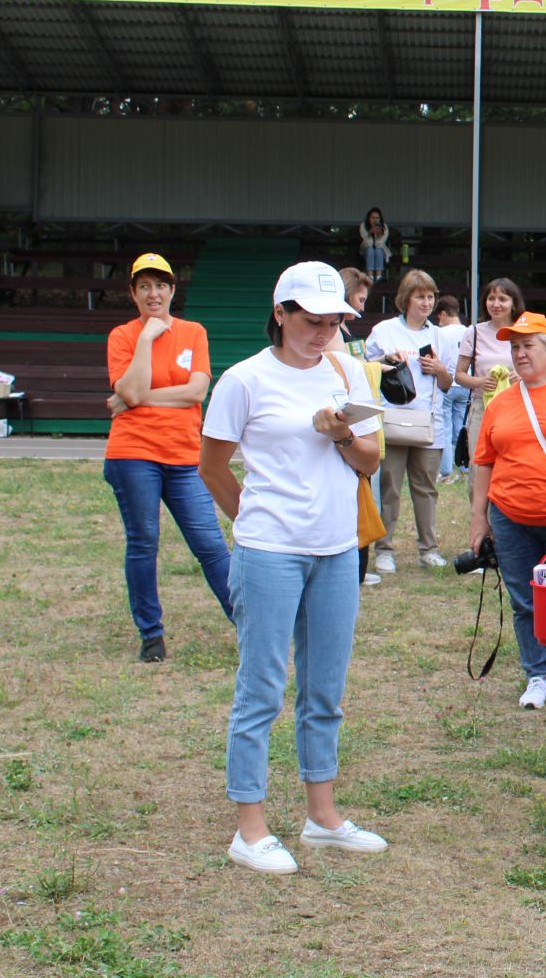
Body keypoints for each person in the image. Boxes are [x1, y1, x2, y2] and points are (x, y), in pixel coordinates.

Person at [199, 261, 388, 876]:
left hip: (337, 549)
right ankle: (249, 828)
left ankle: (322, 816)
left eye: (335, 321)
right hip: (269, 551)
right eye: (312, 321)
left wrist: (338, 434)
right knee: (261, 690)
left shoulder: (344, 370)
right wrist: (253, 522)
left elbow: (369, 460)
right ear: (279, 314)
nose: (324, 332)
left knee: (325, 689)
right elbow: (212, 466)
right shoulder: (243, 380)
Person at [102, 252, 233, 662]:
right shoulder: (123, 337)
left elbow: (196, 392)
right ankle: (151, 636)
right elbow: (134, 389)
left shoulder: (194, 332)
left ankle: (248, 621)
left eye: (161, 285)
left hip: (183, 457)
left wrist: (134, 399)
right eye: (144, 286)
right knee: (144, 542)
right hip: (132, 454)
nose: (153, 293)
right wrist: (146, 338)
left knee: (211, 545)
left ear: (173, 290)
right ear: (133, 294)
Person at [467, 313, 546, 712]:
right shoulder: (502, 402)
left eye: (528, 345)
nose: (519, 353)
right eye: (514, 346)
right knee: (524, 600)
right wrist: (479, 517)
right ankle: (537, 674)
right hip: (510, 516)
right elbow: (483, 461)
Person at [365, 269, 455, 571]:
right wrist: (388, 361)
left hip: (429, 423)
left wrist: (438, 369)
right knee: (389, 486)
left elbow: (448, 383)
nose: (426, 302)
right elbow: (365, 368)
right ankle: (384, 549)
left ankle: (429, 548)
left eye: (430, 296)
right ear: (406, 299)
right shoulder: (384, 330)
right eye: (420, 296)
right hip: (393, 419)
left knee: (426, 488)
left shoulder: (439, 335)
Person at [327, 267, 381, 586]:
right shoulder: (334, 333)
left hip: (356, 433)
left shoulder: (342, 330)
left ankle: (355, 567)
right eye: (360, 295)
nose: (363, 302)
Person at [455, 277, 527, 458]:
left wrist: (522, 378)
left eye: (502, 299)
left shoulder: (525, 332)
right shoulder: (474, 332)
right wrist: (481, 381)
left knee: (513, 461)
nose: (496, 304)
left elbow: (540, 371)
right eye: (491, 299)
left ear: (513, 303)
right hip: (482, 406)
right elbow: (459, 375)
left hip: (518, 405)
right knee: (479, 464)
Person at [432, 293, 470, 482]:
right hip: (465, 383)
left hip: (447, 383)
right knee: (462, 428)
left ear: (443, 314)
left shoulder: (440, 333)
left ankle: (446, 472)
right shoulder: (468, 331)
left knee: (445, 429)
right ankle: (464, 469)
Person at [358, 208, 391, 281]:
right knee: (370, 250)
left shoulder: (384, 227)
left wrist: (378, 235)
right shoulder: (363, 226)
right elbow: (366, 242)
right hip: (365, 249)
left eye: (377, 218)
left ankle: (379, 276)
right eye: (373, 217)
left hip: (380, 249)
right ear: (369, 218)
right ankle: (370, 276)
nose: (375, 220)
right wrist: (370, 232)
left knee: (378, 251)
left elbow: (381, 243)